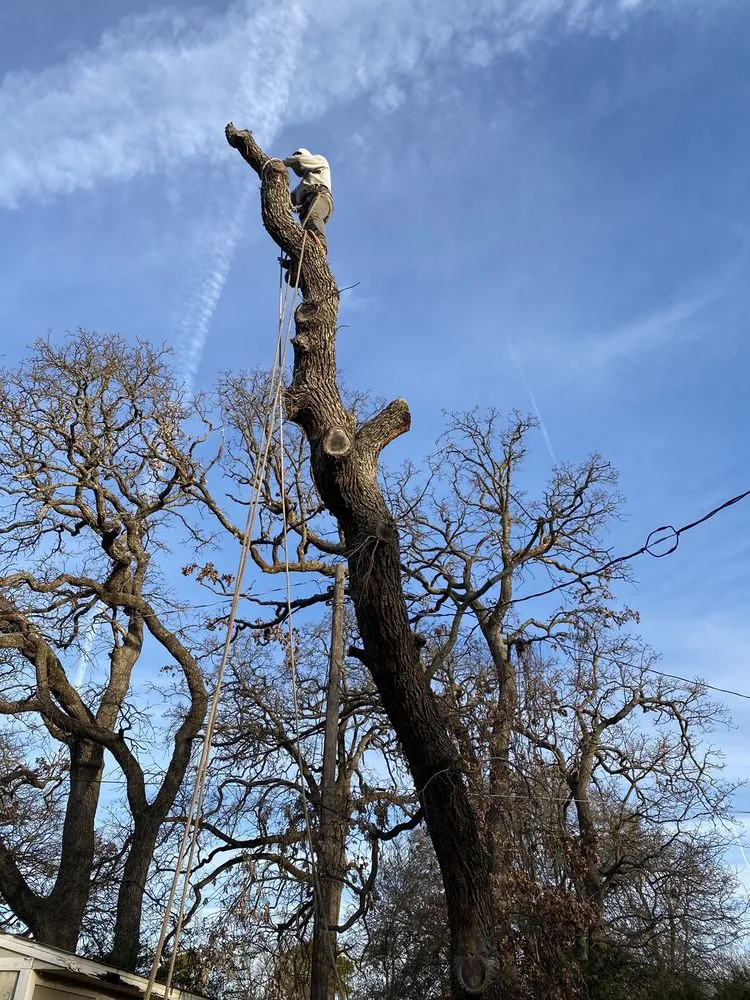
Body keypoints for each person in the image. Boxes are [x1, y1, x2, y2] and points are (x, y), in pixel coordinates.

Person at [283, 148, 333, 254]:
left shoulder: (320, 160)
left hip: (320, 197)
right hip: (306, 208)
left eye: (297, 155)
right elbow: (289, 199)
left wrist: (281, 163)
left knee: (313, 217)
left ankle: (321, 247)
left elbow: (299, 160)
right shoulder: (302, 186)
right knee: (304, 234)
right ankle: (296, 261)